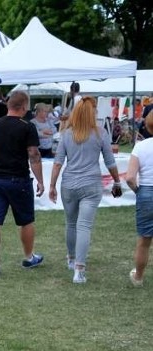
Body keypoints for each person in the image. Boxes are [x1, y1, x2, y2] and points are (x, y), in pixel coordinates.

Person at [48, 96, 121, 284]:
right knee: (84, 226)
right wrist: (117, 182)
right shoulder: (100, 133)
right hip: (91, 184)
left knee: (71, 224)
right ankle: (79, 269)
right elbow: (110, 161)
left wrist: (52, 186)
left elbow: (57, 163)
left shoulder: (66, 134)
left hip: (69, 184)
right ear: (92, 113)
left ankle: (71, 259)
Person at [0, 90, 46, 276]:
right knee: (26, 221)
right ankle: (28, 257)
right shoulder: (27, 127)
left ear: (8, 105)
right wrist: (40, 181)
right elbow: (34, 155)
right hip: (19, 180)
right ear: (24, 107)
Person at [124, 120, 153, 287]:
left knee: (144, 240)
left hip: (147, 192)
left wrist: (138, 192)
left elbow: (129, 178)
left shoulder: (140, 147)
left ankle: (138, 277)